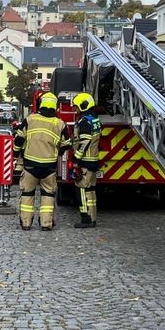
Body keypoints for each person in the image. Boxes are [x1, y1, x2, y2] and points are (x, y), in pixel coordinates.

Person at [18, 92, 65, 231]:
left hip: (30, 165)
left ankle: (26, 223)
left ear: (41, 103)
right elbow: (66, 144)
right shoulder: (60, 124)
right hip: (49, 167)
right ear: (55, 106)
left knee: (27, 193)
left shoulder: (30, 119)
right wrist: (57, 152)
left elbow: (19, 139)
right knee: (48, 195)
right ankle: (46, 223)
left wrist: (16, 153)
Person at [71, 92, 103, 228]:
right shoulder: (95, 119)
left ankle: (86, 219)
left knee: (81, 189)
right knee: (90, 190)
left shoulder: (84, 121)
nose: (76, 110)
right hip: (94, 159)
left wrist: (76, 158)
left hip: (85, 160)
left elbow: (85, 141)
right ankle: (92, 218)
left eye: (77, 107)